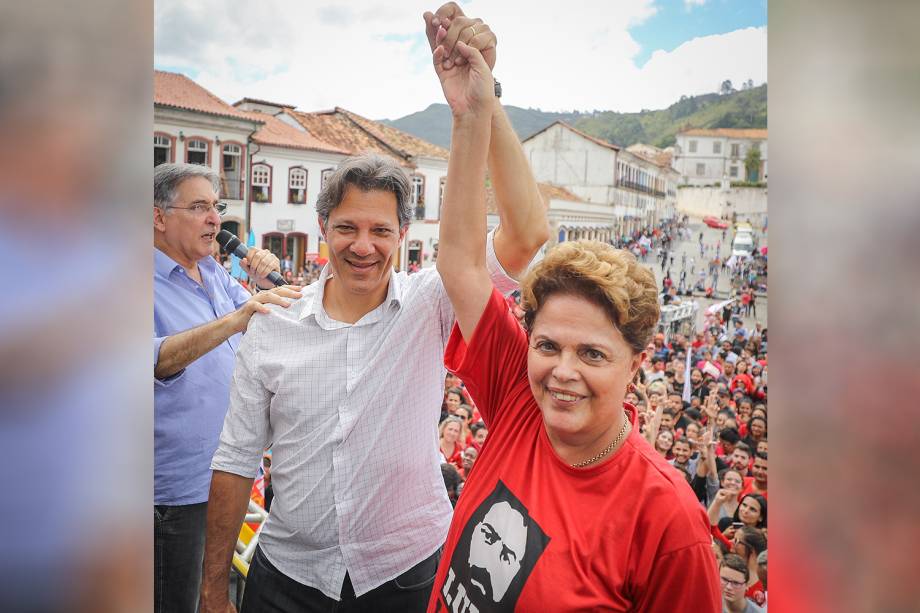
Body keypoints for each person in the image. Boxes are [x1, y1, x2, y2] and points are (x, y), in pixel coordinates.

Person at [200, 9, 549, 612]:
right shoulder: (272, 323)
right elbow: (234, 460)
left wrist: (482, 103)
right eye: (347, 228)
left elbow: (526, 232)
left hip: (408, 571)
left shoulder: (430, 301)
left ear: (403, 233)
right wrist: (211, 591)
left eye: (380, 231)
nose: (363, 246)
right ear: (321, 230)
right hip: (288, 576)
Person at [426, 27, 719, 611]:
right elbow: (460, 261)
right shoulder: (518, 397)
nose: (561, 371)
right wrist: (471, 114)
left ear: (635, 364)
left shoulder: (667, 518)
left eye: (592, 354)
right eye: (548, 345)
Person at [153, 163, 299, 613]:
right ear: (157, 216)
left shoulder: (213, 272)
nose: (215, 219)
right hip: (174, 493)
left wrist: (266, 283)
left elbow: (277, 316)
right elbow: (156, 359)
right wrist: (238, 317)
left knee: (218, 595)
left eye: (216, 207)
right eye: (199, 207)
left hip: (229, 477)